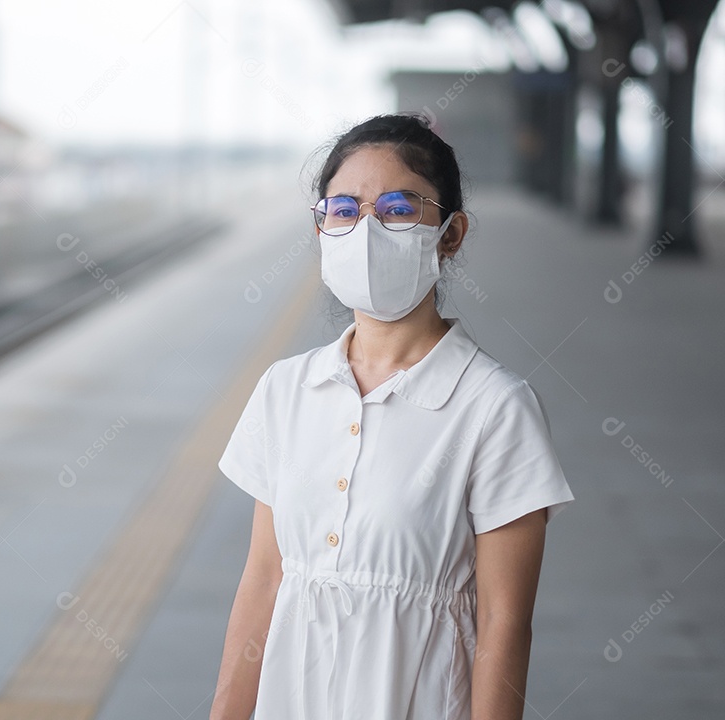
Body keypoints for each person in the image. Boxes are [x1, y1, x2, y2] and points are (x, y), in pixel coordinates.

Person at [210, 113, 575, 720]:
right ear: (322, 228)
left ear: (451, 233)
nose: (366, 230)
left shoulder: (494, 407)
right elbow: (265, 579)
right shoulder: (285, 389)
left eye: (399, 208)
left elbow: (505, 624)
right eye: (344, 209)